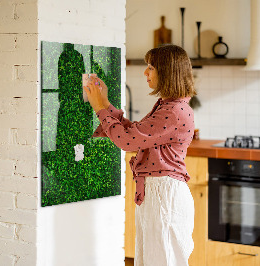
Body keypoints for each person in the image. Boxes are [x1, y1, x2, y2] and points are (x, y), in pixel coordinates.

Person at [85, 44, 197, 266]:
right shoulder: (168, 106)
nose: (145, 73)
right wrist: (105, 104)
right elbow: (135, 133)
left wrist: (99, 108)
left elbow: (127, 141)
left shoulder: (174, 111)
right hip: (158, 194)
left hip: (164, 196)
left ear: (167, 71)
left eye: (151, 67)